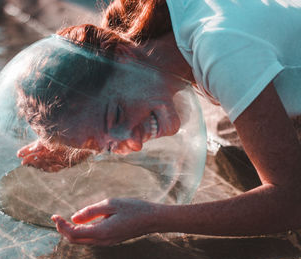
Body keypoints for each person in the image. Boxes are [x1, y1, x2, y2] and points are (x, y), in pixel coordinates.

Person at [17, 0, 301, 246]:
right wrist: (84, 140)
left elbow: (292, 201)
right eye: (107, 145)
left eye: (116, 115)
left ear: (123, 55)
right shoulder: (172, 29)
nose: (135, 142)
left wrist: (153, 218)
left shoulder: (219, 48)